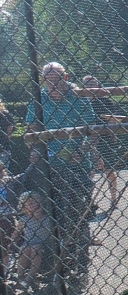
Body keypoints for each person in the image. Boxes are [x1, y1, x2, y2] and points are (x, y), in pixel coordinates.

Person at [23, 62, 97, 276]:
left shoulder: (79, 98)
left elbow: (92, 131)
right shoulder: (37, 101)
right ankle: (54, 264)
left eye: (57, 77)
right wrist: (36, 147)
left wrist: (82, 151)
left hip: (77, 166)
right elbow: (30, 132)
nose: (53, 82)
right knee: (50, 214)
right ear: (43, 80)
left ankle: (81, 261)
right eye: (48, 78)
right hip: (49, 167)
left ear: (65, 77)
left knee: (77, 213)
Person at [80, 76, 119, 215]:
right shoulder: (81, 101)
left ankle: (114, 198)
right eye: (88, 84)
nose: (91, 87)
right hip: (86, 140)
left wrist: (111, 133)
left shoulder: (105, 101)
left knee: (109, 170)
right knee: (89, 171)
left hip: (105, 139)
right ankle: (90, 201)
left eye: (93, 84)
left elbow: (113, 120)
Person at [12, 193, 51, 292]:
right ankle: (20, 277)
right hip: (28, 244)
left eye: (36, 203)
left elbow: (56, 233)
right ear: (24, 208)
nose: (34, 206)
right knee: (24, 249)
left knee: (35, 248)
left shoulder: (47, 218)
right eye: (30, 204)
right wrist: (11, 242)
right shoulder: (24, 220)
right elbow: (16, 233)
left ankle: (31, 276)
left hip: (45, 245)